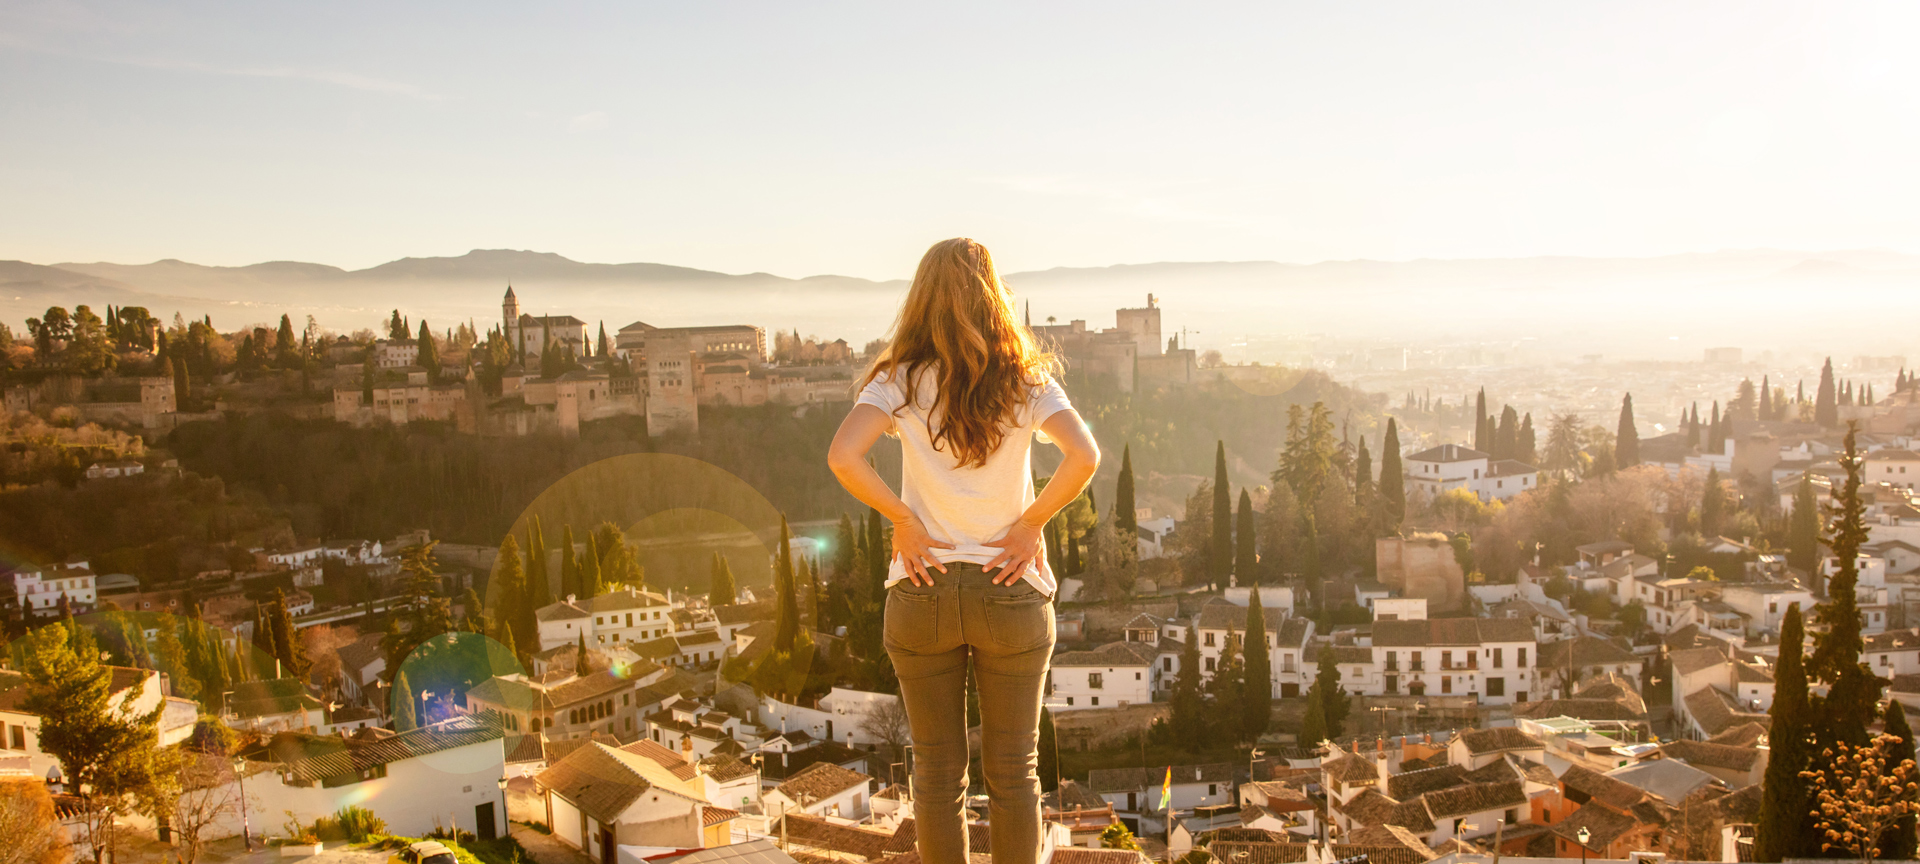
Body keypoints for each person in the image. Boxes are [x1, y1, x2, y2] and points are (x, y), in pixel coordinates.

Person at [828, 238, 1100, 864]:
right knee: (1015, 771)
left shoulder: (898, 379)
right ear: (993, 295)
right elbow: (1084, 456)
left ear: (921, 298)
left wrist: (903, 520)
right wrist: (1031, 524)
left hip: (921, 588)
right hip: (1009, 588)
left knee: (935, 773)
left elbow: (843, 456)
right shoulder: (1026, 378)